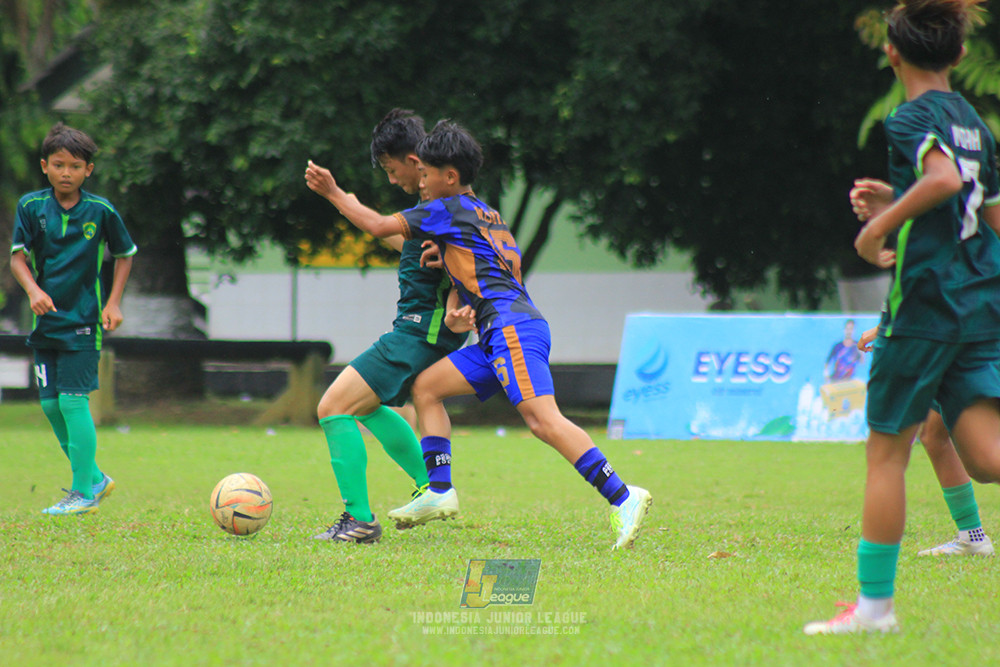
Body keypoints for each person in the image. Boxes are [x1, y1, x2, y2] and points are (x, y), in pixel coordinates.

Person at [305, 120, 652, 550]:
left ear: (449, 177)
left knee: (542, 421)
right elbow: (483, 271)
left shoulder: (446, 210)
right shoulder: (485, 214)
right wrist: (453, 302)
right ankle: (438, 489)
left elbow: (378, 227)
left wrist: (335, 194)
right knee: (426, 387)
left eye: (427, 175)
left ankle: (622, 496)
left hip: (512, 329)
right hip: (495, 332)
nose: (422, 183)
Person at [804, 0, 1000, 634]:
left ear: (892, 53)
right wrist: (897, 198)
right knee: (988, 458)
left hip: (924, 306)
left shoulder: (909, 117)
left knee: (887, 455)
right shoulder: (973, 123)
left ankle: (873, 612)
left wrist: (877, 229)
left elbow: (941, 181)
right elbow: (983, 213)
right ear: (961, 55)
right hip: (975, 305)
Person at [305, 109, 468, 544]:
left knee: (333, 407)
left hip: (422, 331)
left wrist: (335, 193)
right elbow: (396, 237)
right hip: (421, 330)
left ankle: (359, 520)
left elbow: (474, 263)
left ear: (416, 162)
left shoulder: (442, 209)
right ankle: (429, 487)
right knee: (364, 404)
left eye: (393, 170)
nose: (392, 180)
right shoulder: (427, 212)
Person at [10, 122, 137, 515]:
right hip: (46, 324)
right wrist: (34, 291)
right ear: (45, 166)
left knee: (72, 401)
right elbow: (17, 258)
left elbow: (125, 253)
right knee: (50, 406)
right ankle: (94, 477)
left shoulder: (100, 211)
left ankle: (83, 493)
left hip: (83, 322)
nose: (67, 172)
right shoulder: (31, 207)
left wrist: (113, 303)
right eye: (59, 164)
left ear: (88, 171)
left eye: (76, 166)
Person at [858, 326, 994, 557]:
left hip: (967, 341)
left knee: (985, 462)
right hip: (951, 341)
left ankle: (875, 592)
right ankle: (972, 536)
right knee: (933, 436)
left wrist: (887, 327)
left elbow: (934, 292)